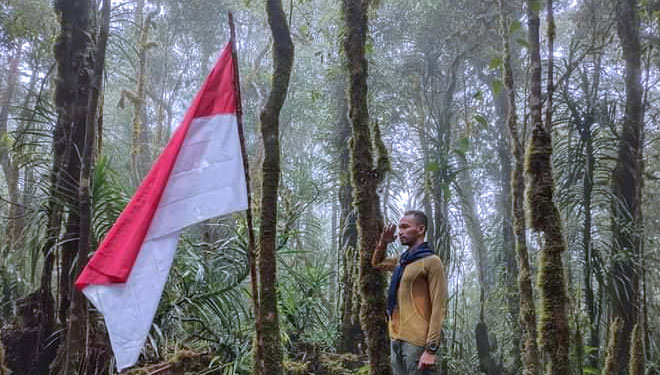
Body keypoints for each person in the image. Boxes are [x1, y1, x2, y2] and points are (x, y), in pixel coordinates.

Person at [372, 210, 448, 375]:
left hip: (418, 342)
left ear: (420, 229)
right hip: (396, 337)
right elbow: (376, 263)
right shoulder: (402, 261)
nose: (400, 232)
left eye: (405, 227)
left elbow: (438, 306)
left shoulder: (431, 261)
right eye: (399, 227)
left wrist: (431, 349)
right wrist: (383, 242)